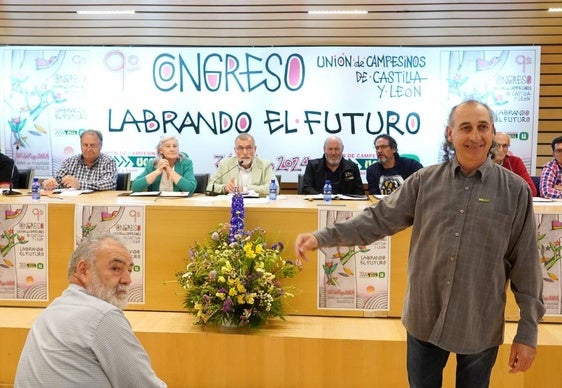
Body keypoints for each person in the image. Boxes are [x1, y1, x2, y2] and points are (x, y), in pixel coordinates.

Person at [294, 100, 545, 387]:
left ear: (492, 132)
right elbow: (376, 220)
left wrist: (527, 333)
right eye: (465, 128)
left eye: (482, 127)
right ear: (450, 133)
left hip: (479, 322)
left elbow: (526, 266)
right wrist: (321, 237)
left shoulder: (515, 191)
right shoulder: (425, 181)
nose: (475, 137)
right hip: (425, 318)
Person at [14, 233, 166, 387]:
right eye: (116, 268)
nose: (127, 280)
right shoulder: (103, 316)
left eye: (130, 270)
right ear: (84, 270)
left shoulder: (51, 310)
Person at [43, 129, 117, 191]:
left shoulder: (108, 162)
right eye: (85, 145)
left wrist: (80, 184)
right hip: (72, 204)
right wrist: (51, 184)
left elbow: (110, 184)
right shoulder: (70, 162)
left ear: (100, 146)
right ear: (80, 145)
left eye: (92, 145)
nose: (88, 149)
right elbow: (58, 181)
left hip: (98, 203)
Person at [206, 133, 276, 196]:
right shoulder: (224, 164)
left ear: (255, 149)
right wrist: (225, 188)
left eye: (249, 148)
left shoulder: (265, 165)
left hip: (257, 207)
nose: (245, 152)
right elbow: (210, 186)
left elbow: (275, 187)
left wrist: (245, 189)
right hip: (231, 206)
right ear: (235, 150)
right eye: (240, 148)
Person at [131, 135, 197, 193]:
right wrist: (157, 172)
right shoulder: (152, 164)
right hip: (157, 204)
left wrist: (170, 170)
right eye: (168, 146)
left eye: (175, 146)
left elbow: (190, 189)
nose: (172, 149)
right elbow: (135, 187)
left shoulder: (185, 163)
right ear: (161, 150)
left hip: (179, 204)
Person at [493, 132, 537, 196]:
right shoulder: (481, 162)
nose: (500, 149)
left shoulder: (515, 162)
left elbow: (531, 191)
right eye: (497, 145)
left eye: (505, 146)